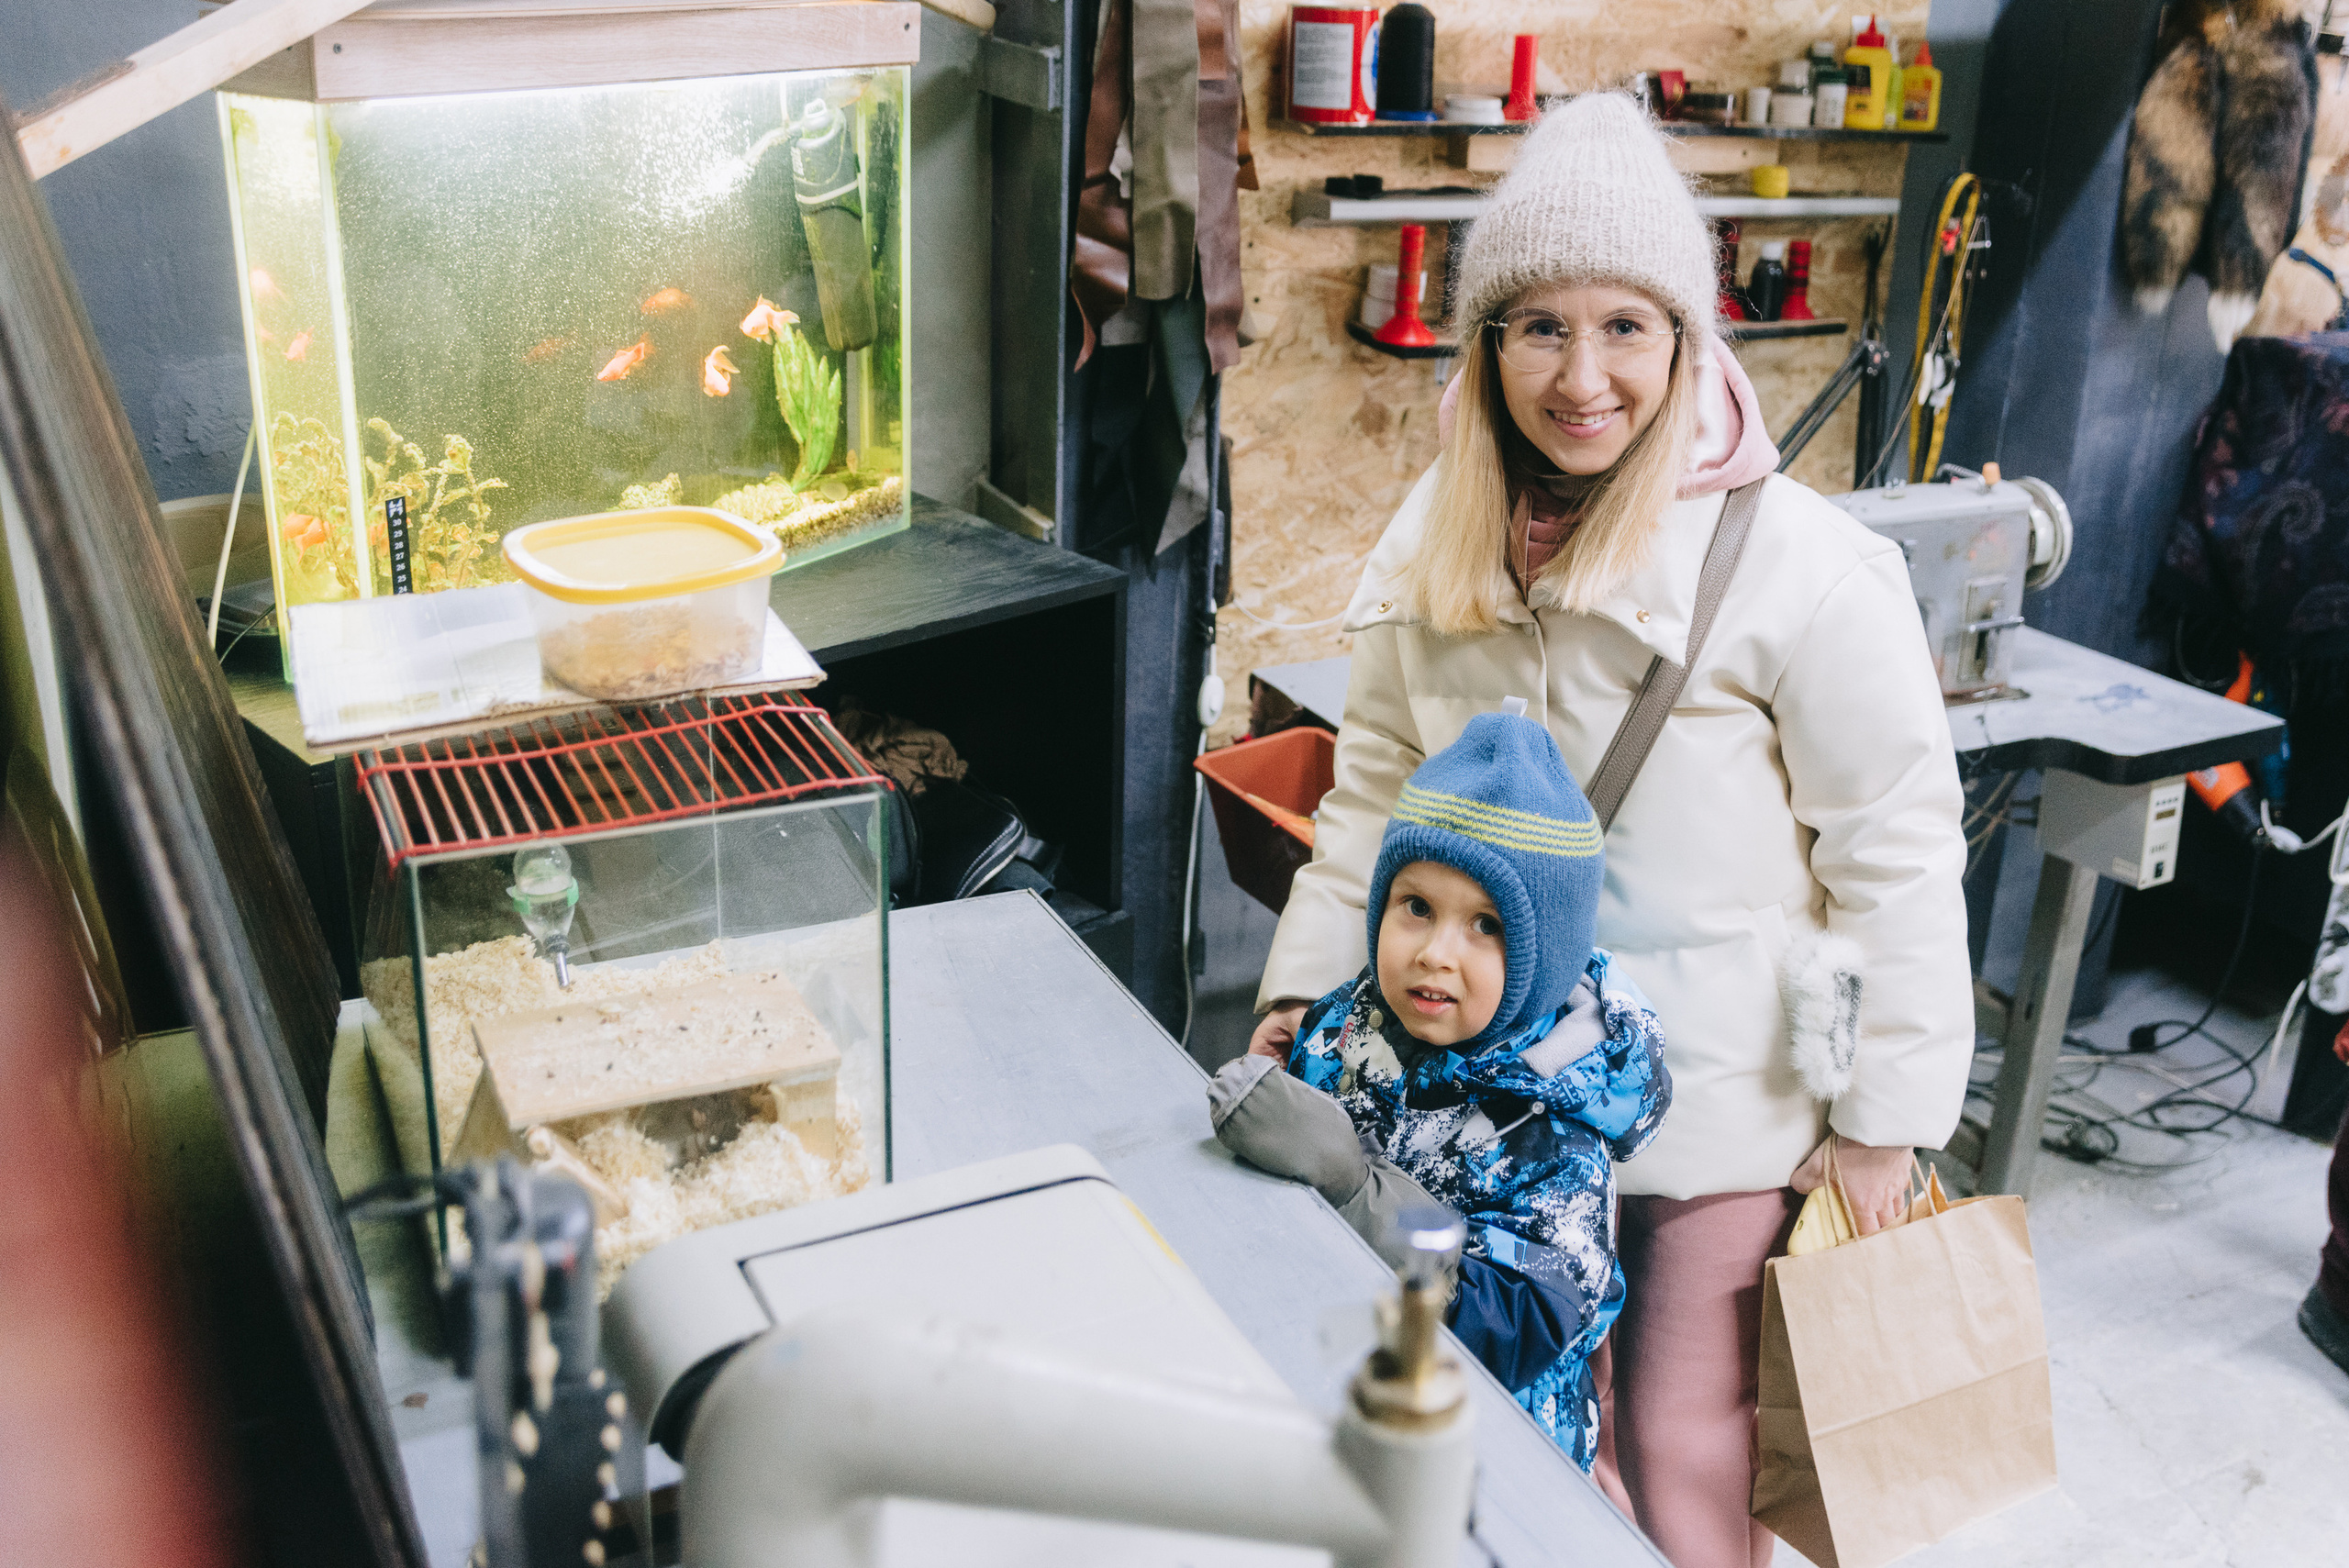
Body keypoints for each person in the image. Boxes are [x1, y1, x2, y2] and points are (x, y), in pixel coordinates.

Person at [1246, 94, 1972, 1568]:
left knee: (1685, 1451)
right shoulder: (1428, 540)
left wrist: (1885, 1116)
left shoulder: (1805, 568)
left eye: (1627, 327)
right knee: (1514, 1438)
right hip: (1492, 1111)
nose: (1583, 378)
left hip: (1721, 1110)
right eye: (1539, 328)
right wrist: (1292, 995)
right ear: (1487, 342)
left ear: (1690, 339)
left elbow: (1894, 848)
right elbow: (1373, 797)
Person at [1208, 713, 1669, 1468]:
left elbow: (1514, 1323)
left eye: (1485, 924)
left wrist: (1359, 1191)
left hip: (1480, 1453)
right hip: (1334, 1382)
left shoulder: (1555, 1140)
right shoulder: (1342, 1028)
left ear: (1542, 959)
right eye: (1415, 905)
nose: (1434, 952)